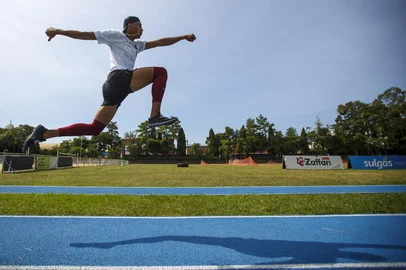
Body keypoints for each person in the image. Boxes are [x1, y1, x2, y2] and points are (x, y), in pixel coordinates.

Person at [22, 16, 196, 152]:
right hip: (118, 78)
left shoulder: (137, 46)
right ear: (129, 25)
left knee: (95, 128)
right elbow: (85, 35)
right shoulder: (116, 36)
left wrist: (183, 37)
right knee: (161, 72)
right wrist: (58, 31)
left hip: (115, 91)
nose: (142, 29)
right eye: (140, 25)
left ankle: (44, 133)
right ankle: (154, 116)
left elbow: (160, 42)